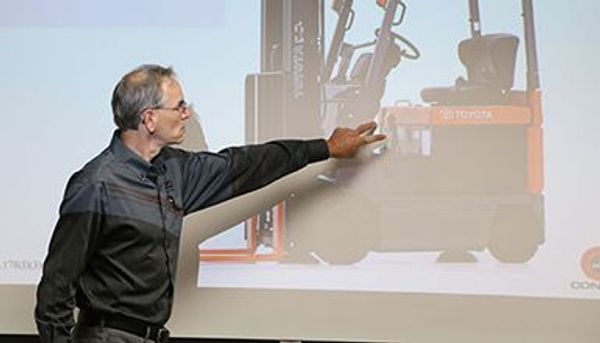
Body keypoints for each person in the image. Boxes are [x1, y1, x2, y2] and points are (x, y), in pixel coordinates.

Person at [34, 64, 385, 343]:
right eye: (179, 106)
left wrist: (323, 147)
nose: (186, 114)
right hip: (105, 336)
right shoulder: (96, 184)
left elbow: (247, 163)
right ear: (149, 118)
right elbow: (56, 285)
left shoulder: (175, 171)